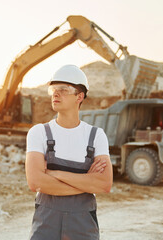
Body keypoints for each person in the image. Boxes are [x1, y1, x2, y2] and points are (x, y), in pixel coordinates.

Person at [25, 64, 113, 240]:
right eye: (53, 89)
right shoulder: (39, 132)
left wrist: (54, 173)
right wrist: (86, 182)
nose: (56, 94)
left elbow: (104, 184)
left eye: (63, 89)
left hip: (83, 226)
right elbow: (35, 182)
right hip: (46, 224)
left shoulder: (96, 136)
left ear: (79, 96)